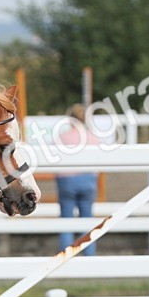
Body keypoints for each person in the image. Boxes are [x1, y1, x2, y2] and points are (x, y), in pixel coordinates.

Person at [55, 103, 98, 253]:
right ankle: (89, 256)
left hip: (67, 181)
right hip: (88, 180)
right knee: (87, 220)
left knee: (66, 220)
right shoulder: (92, 137)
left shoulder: (62, 137)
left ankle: (65, 256)